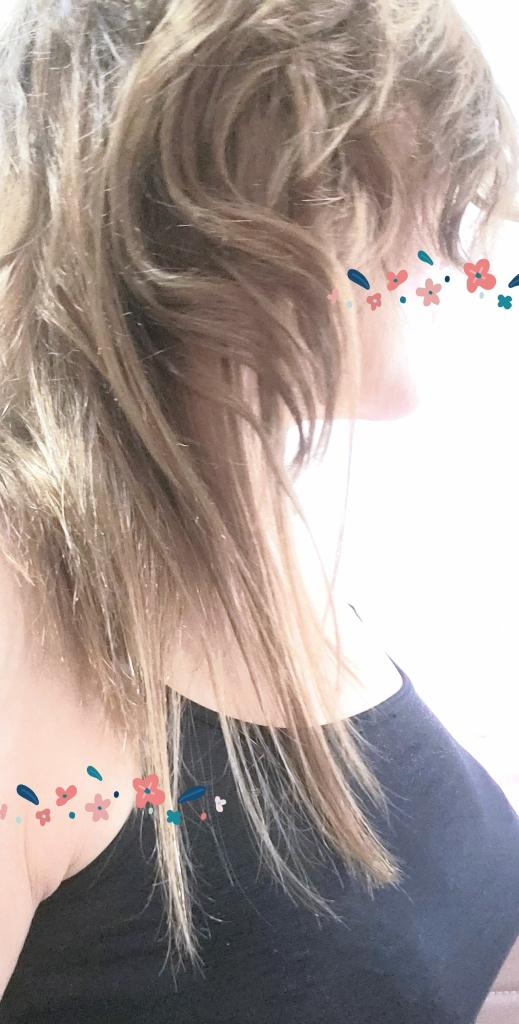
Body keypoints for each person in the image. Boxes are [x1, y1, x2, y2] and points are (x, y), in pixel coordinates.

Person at [0, 1, 518, 1021]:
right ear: (237, 193)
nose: (463, 246)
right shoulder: (25, 614)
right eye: (424, 186)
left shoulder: (257, 524)